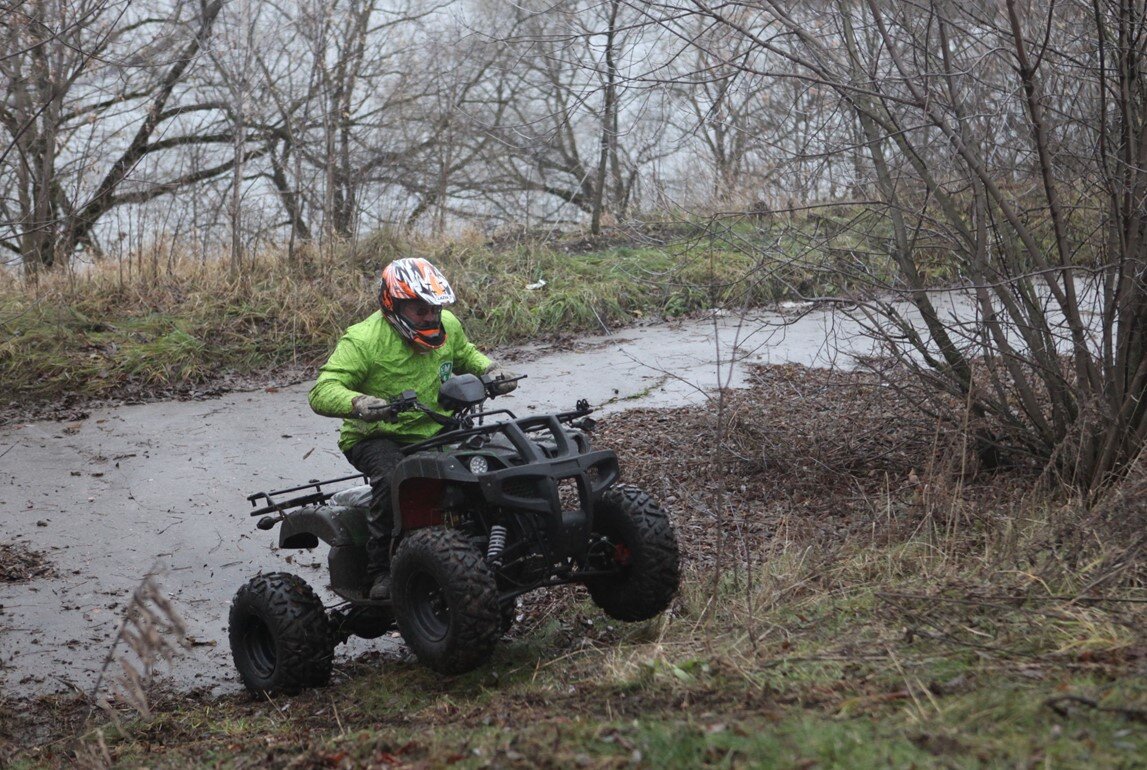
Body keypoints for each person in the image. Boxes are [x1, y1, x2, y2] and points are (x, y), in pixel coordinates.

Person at [308, 257, 516, 600]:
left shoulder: (448, 325)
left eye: (434, 309)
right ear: (394, 305)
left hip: (437, 427)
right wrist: (359, 403)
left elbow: (465, 354)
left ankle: (489, 540)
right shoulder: (363, 340)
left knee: (496, 456)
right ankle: (382, 571)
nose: (431, 317)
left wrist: (491, 370)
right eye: (421, 311)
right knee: (393, 482)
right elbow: (322, 390)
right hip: (376, 437)